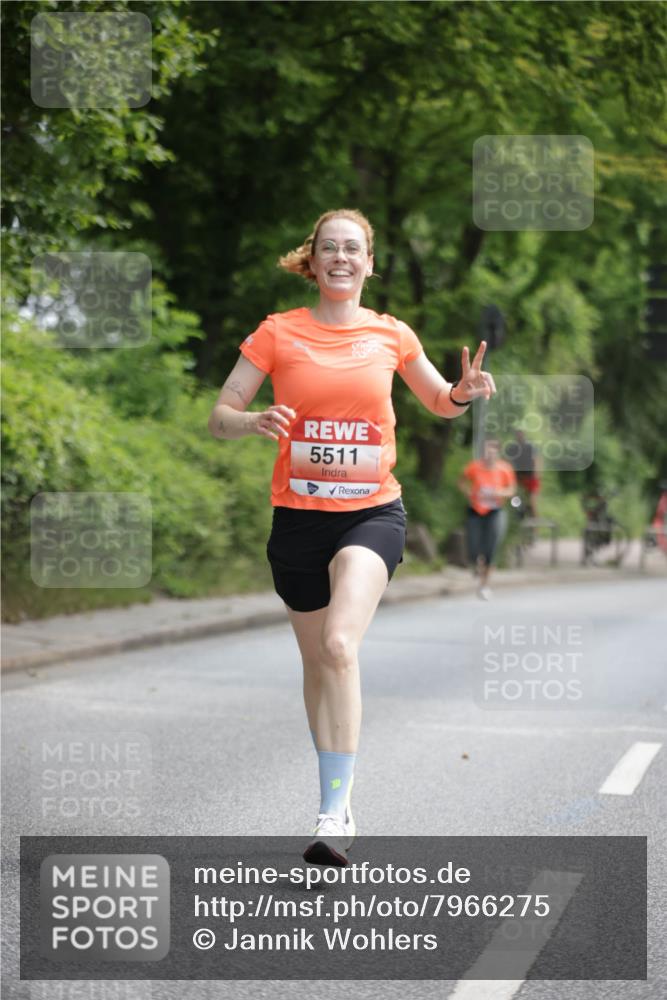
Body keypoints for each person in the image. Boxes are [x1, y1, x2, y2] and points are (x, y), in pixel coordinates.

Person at [208, 208, 496, 866]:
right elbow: (220, 415)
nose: (341, 257)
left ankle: (333, 812)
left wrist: (461, 392)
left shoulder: (391, 334)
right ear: (312, 262)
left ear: (369, 264)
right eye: (329, 248)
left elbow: (438, 401)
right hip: (297, 521)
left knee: (340, 644)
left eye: (353, 249)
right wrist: (251, 422)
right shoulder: (277, 332)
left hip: (371, 513)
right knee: (318, 664)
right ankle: (334, 799)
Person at [459, 438, 516, 600]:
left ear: (497, 453)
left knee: (491, 547)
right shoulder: (474, 467)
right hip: (476, 510)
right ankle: (476, 565)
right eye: (487, 451)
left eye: (493, 451)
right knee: (473, 546)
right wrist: (469, 493)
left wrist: (499, 492)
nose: (490, 454)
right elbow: (462, 481)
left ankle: (484, 585)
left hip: (495, 511)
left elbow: (511, 490)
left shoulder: (504, 469)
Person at [507, 428, 541, 518]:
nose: (519, 436)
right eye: (518, 434)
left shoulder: (530, 446)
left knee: (532, 500)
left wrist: (536, 473)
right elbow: (509, 462)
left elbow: (536, 460)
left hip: (530, 476)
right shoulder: (512, 448)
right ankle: (520, 513)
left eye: (521, 434)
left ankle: (534, 521)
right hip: (518, 476)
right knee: (516, 497)